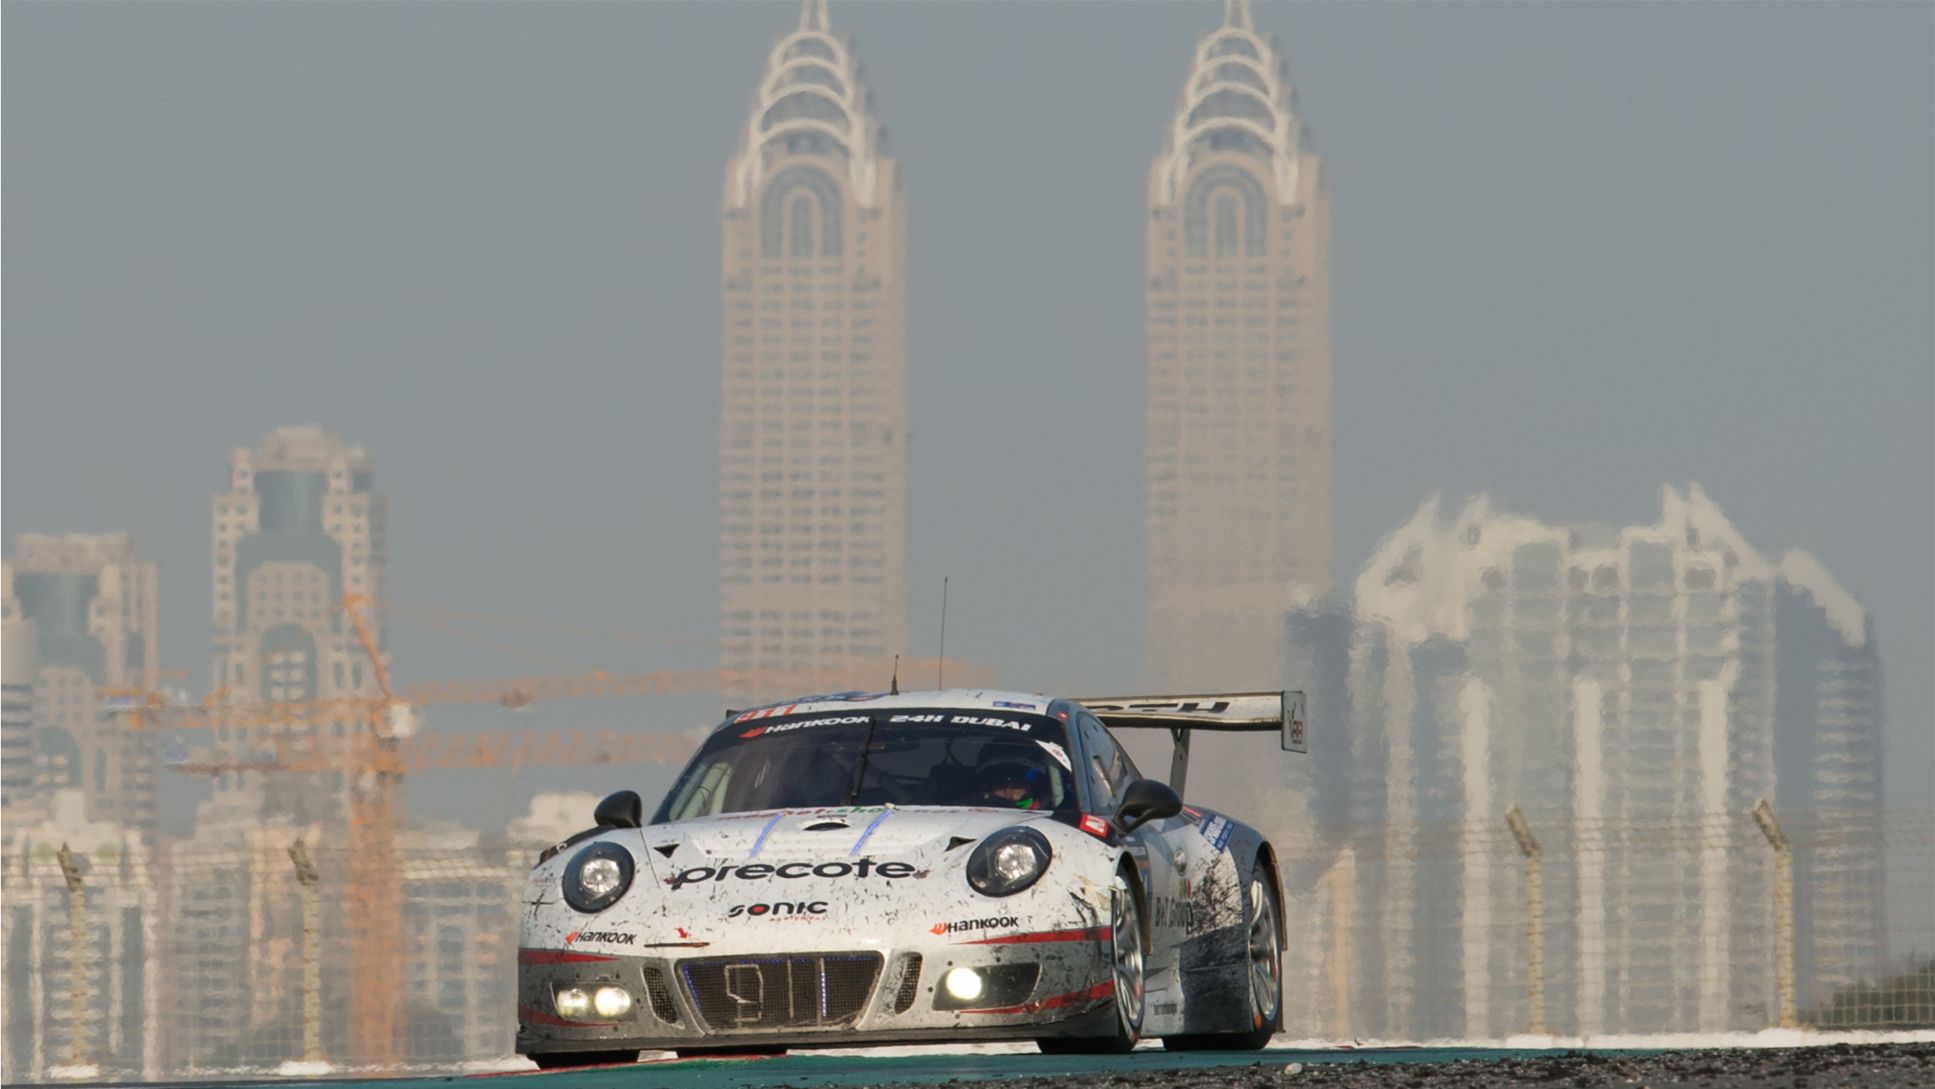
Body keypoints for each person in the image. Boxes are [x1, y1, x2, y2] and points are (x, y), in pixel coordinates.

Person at [974, 758, 1047, 810]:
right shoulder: (972, 811)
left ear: (1031, 787)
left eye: (1017, 785)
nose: (1008, 794)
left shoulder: (1049, 813)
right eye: (1000, 786)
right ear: (988, 788)